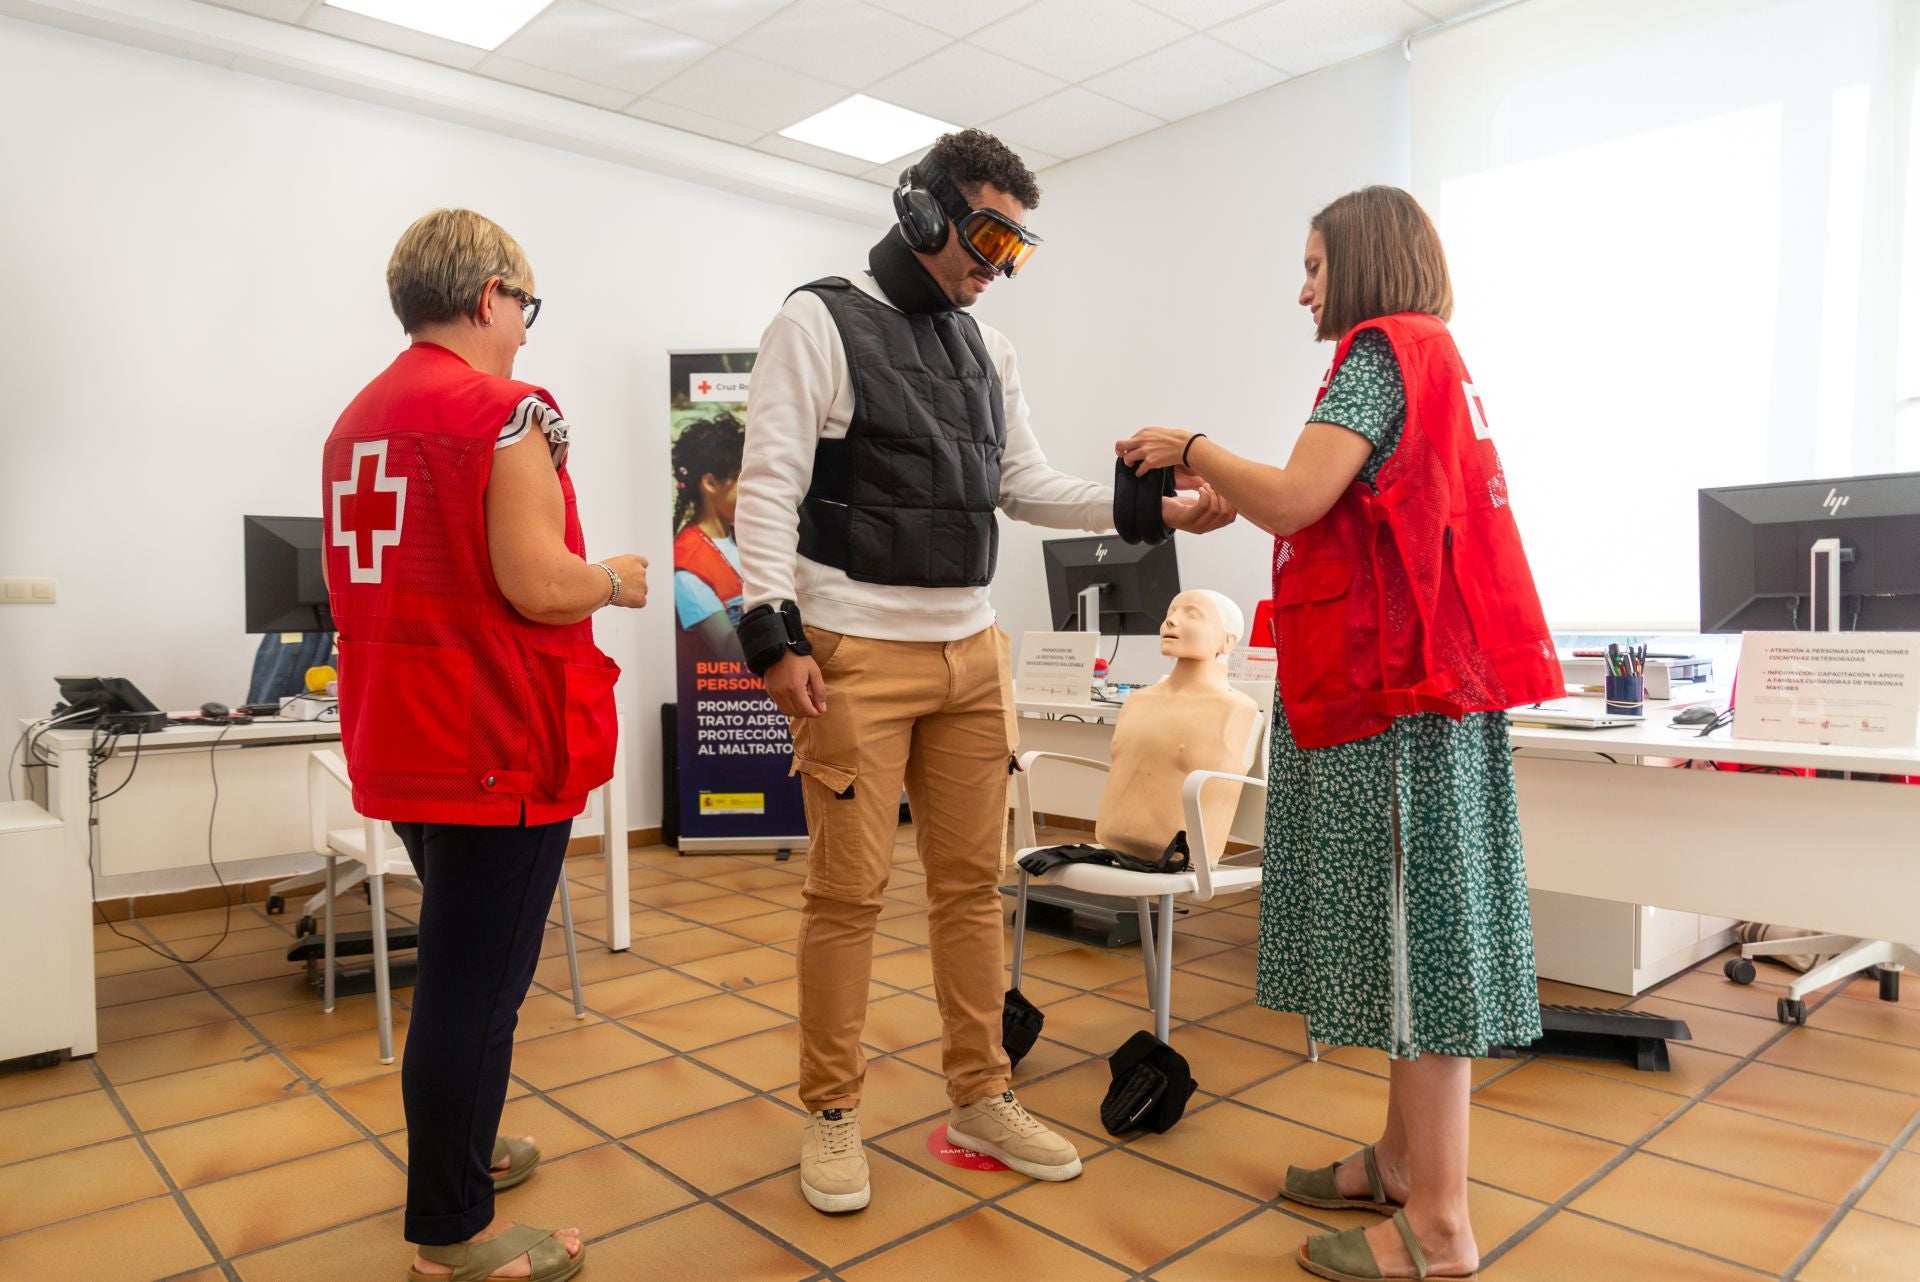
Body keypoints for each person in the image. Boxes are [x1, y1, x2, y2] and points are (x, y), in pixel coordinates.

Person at [733, 128, 1233, 1215]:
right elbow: (766, 489)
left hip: (970, 656)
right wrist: (771, 636)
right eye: (987, 234)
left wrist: (1154, 505)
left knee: (971, 890)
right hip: (855, 652)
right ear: (923, 213)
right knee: (847, 893)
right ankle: (831, 1111)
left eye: (1016, 245)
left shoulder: (986, 349)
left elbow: (1026, 485)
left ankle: (979, 1095)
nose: (994, 265)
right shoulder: (814, 320)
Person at [1116, 185, 1561, 1282]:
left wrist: (1196, 448)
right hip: (1422, 692)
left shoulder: (1377, 352)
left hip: (1397, 700)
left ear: (1363, 262)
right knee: (1415, 940)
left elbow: (1301, 495)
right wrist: (1238, 491)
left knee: (1419, 946)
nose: (1302, 284)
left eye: (1315, 263)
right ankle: (1404, 1163)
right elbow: (1339, 499)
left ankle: (1443, 1225)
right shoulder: (1421, 357)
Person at [322, 208, 648, 1282]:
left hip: (408, 739)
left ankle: (464, 1150)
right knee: (476, 993)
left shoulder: (355, 420)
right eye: (525, 307)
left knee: (468, 977)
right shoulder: (508, 415)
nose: (524, 330)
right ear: (487, 296)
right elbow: (537, 582)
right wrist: (616, 577)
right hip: (496, 746)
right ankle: (452, 1233)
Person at [670, 411, 747, 661]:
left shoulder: (743, 533)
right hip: (727, 697)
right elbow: (730, 651)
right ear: (711, 483)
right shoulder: (686, 567)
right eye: (743, 480)